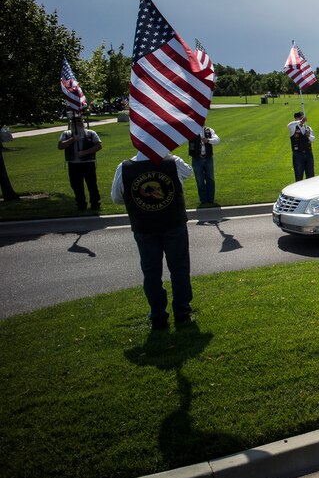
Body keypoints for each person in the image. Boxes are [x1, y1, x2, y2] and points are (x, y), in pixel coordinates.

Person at [111, 152, 194, 330]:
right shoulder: (173, 162)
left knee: (151, 272)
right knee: (179, 268)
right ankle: (182, 311)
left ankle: (157, 314)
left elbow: (116, 197)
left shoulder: (124, 168)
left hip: (144, 226)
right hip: (173, 223)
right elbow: (188, 172)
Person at [57, 114, 102, 211]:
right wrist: (72, 139)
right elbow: (60, 146)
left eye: (80, 121)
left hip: (88, 163)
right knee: (76, 185)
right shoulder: (66, 134)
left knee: (92, 184)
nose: (78, 123)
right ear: (72, 123)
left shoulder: (90, 133)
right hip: (73, 164)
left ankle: (95, 203)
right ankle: (81, 204)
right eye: (76, 121)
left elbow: (98, 146)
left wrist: (84, 152)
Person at [188, 125, 221, 205]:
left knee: (210, 179)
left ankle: (211, 199)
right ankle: (203, 200)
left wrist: (208, 140)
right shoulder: (191, 130)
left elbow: (217, 140)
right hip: (196, 159)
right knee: (200, 180)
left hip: (208, 158)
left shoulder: (208, 130)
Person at [288, 111, 316, 181]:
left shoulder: (308, 128)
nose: (302, 120)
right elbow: (289, 125)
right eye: (300, 118)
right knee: (298, 176)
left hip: (308, 154)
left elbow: (313, 140)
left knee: (311, 176)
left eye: (303, 118)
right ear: (295, 119)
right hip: (298, 155)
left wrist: (308, 135)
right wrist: (300, 121)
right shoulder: (293, 128)